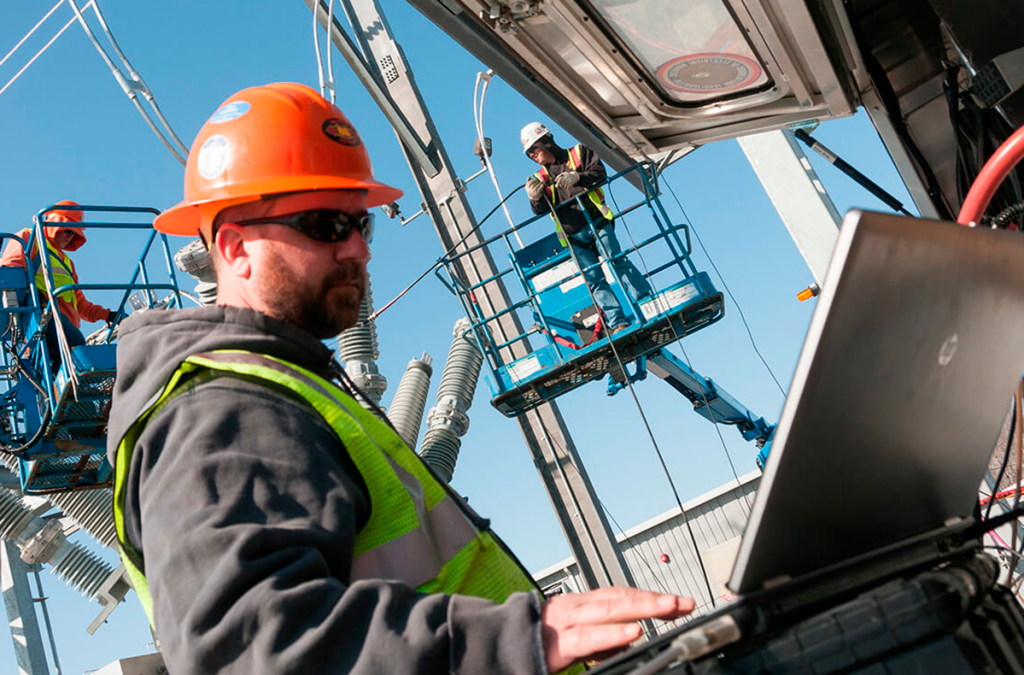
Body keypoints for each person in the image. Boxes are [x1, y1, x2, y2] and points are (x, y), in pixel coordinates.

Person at [107, 82, 693, 675]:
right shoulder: (219, 412)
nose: (360, 248)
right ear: (234, 249)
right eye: (327, 224)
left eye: (362, 223)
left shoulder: (285, 390)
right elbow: (249, 650)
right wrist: (505, 645)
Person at [522, 123, 653, 335]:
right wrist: (534, 197)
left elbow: (599, 173)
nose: (532, 156)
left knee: (617, 261)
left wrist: (578, 177)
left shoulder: (580, 153)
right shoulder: (540, 178)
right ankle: (618, 322)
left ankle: (647, 301)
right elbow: (540, 210)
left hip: (597, 222)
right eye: (529, 154)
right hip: (573, 236)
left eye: (533, 150)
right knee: (594, 280)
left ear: (545, 142)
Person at [0, 200, 117, 370]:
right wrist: (30, 299)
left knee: (77, 349)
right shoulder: (29, 238)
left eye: (74, 234)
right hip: (42, 321)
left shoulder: (68, 263)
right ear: (56, 224)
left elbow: (81, 305)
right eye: (68, 231)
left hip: (64, 329)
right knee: (76, 345)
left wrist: (107, 315)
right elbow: (11, 273)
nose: (70, 237)